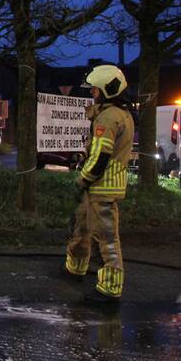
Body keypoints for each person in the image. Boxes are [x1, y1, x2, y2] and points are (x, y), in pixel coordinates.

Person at [62, 64, 135, 304]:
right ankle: (76, 268)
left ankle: (110, 290)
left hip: (101, 187)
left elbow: (101, 156)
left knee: (107, 240)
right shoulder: (117, 113)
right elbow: (96, 151)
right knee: (81, 228)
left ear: (107, 89)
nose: (91, 93)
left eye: (95, 90)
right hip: (98, 186)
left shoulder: (109, 117)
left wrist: (83, 179)